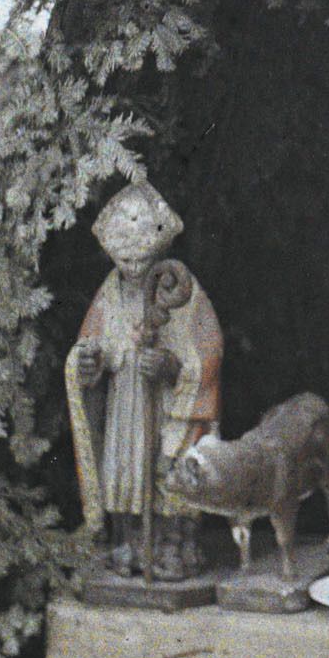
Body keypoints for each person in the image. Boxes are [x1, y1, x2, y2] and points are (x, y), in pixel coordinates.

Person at [66, 180, 223, 581]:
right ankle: (126, 541)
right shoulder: (109, 291)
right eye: (124, 261)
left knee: (167, 470)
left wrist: (171, 365)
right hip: (124, 402)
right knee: (122, 471)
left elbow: (208, 351)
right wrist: (90, 361)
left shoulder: (182, 289)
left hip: (168, 407)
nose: (133, 270)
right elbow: (91, 341)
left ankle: (172, 545)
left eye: (142, 260)